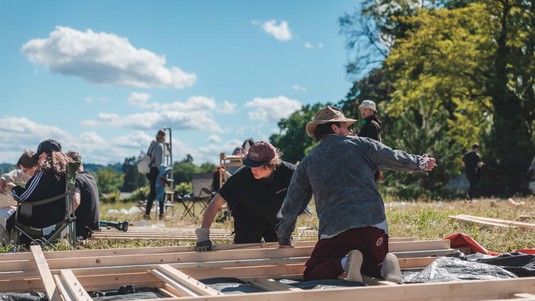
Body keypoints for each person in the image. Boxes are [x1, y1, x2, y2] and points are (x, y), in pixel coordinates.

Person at [276, 106, 437, 283]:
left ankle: (345, 262)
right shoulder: (362, 144)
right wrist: (420, 162)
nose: (351, 131)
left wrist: (284, 236)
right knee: (369, 264)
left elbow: (293, 203)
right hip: (374, 224)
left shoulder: (308, 162)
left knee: (314, 271)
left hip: (336, 228)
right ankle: (383, 266)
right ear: (335, 127)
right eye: (346, 126)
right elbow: (393, 156)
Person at [195, 141, 296, 251]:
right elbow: (215, 204)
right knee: (245, 254)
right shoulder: (241, 177)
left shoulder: (289, 172)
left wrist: (287, 229)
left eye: (256, 166)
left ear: (270, 163)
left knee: (282, 253)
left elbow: (308, 192)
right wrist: (203, 234)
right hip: (247, 221)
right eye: (250, 164)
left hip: (275, 220)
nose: (252, 169)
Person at [8, 139, 68, 232]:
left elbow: (25, 197)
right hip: (59, 218)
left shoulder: (45, 170)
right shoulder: (66, 171)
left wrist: (13, 188)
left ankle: (13, 245)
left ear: (45, 154)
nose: (39, 161)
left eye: (40, 157)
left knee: (10, 220)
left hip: (40, 219)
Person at [0, 151, 39, 243]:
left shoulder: (39, 179)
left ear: (35, 166)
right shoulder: (31, 173)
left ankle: (10, 246)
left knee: (3, 215)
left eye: (25, 170)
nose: (24, 172)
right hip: (30, 209)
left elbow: (26, 197)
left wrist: (13, 188)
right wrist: (4, 179)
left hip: (33, 214)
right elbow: (18, 173)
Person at [66, 151, 100, 239]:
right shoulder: (89, 176)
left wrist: (65, 216)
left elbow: (76, 201)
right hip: (93, 227)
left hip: (82, 230)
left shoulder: (77, 178)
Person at [358, 99, 383, 181]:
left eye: (365, 109)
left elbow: (370, 145)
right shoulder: (368, 123)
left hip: (369, 164)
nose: (362, 112)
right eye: (361, 110)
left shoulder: (371, 124)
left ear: (372, 111)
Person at [144, 129, 167, 220]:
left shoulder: (152, 145)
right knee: (161, 191)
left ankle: (147, 213)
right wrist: (162, 173)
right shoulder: (160, 146)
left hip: (150, 171)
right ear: (163, 137)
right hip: (157, 171)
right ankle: (161, 214)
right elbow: (159, 162)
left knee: (152, 192)